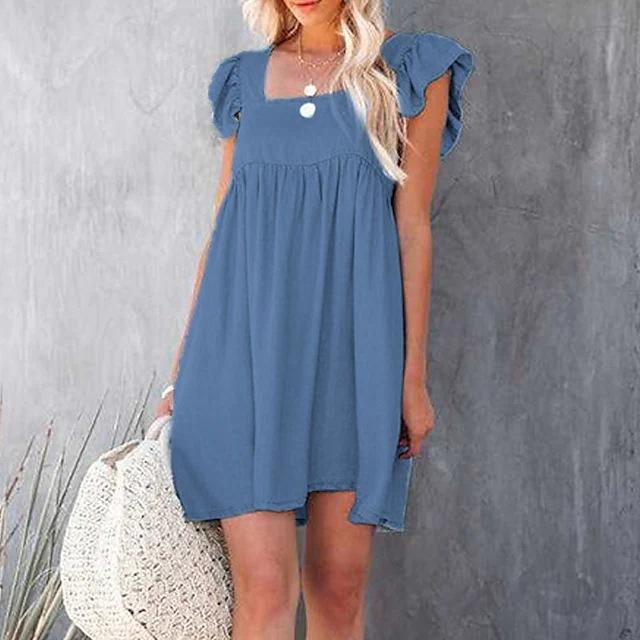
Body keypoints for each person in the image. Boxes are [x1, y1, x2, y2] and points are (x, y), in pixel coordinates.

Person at [155, 0, 474, 637]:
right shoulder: (243, 81)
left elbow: (412, 229)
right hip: (240, 359)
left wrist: (411, 380)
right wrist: (180, 372)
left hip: (352, 360)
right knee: (265, 592)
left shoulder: (408, 70)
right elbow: (223, 231)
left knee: (336, 588)